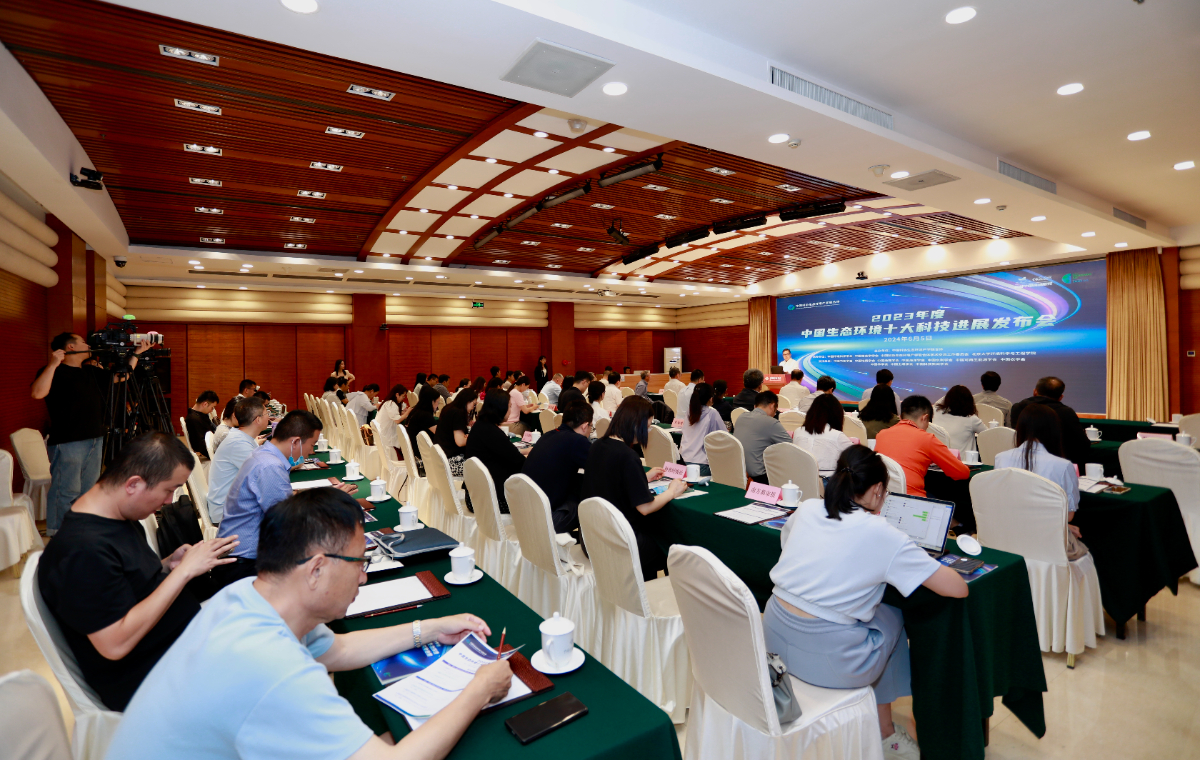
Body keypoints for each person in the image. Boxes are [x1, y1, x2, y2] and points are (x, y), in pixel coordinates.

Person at [104, 487, 512, 760]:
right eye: (359, 563)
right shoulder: (275, 668)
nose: (363, 577)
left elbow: (340, 649)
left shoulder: (246, 593)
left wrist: (431, 628)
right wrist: (479, 690)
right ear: (316, 569)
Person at [766, 445, 968, 760]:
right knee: (893, 613)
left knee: (872, 613)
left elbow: (786, 543)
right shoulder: (882, 533)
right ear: (877, 490)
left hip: (773, 639)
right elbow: (958, 589)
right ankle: (886, 731)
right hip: (831, 661)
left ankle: (883, 725)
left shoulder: (807, 508)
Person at [37, 433, 239, 711]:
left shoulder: (117, 516)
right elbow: (114, 644)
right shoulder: (81, 550)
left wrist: (168, 564)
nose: (169, 501)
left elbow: (127, 581)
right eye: (169, 490)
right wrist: (183, 573)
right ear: (133, 484)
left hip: (176, 651)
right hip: (152, 681)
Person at [215, 411, 356, 590]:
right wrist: (333, 504)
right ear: (295, 442)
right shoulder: (270, 466)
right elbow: (291, 524)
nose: (311, 451)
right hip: (244, 567)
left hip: (241, 557)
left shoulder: (264, 454)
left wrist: (325, 496)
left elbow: (285, 502)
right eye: (311, 445)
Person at [31, 331, 153, 534]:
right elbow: (37, 393)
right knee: (66, 490)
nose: (88, 345)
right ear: (70, 347)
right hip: (68, 441)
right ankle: (59, 533)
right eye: (83, 342)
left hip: (95, 439)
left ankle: (82, 531)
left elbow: (122, 376)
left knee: (88, 490)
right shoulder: (54, 371)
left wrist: (137, 353)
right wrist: (52, 365)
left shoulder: (90, 372)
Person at [581, 396, 687, 579]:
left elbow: (610, 480)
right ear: (636, 424)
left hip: (591, 538)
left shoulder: (597, 445)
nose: (648, 431)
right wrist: (672, 492)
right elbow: (645, 507)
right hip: (620, 543)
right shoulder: (628, 455)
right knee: (669, 544)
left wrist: (642, 477)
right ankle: (648, 589)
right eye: (648, 426)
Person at [994, 403, 1088, 559]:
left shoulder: (1000, 458)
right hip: (1045, 543)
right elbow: (1068, 515)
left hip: (1006, 537)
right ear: (1054, 430)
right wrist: (1062, 526)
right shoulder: (1063, 466)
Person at [874, 396, 969, 497]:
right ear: (924, 418)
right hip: (913, 499)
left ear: (900, 417)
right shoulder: (927, 438)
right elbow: (962, 473)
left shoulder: (881, 434)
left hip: (882, 497)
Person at [523, 401, 594, 534]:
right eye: (591, 426)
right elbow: (600, 465)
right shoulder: (577, 441)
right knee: (591, 501)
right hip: (547, 520)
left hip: (525, 514)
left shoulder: (548, 435)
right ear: (585, 426)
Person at [465, 389, 529, 513]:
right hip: (489, 500)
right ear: (500, 408)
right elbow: (518, 461)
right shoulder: (491, 432)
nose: (510, 410)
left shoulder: (480, 425)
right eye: (509, 407)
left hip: (475, 495)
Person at [207, 397, 270, 524]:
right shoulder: (238, 443)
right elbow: (263, 477)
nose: (268, 416)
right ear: (258, 419)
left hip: (234, 504)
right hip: (227, 513)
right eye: (266, 413)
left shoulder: (242, 437)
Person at [1010, 377, 1092, 466]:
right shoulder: (1066, 412)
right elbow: (1082, 444)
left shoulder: (1018, 408)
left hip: (1019, 461)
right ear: (1060, 397)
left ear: (1035, 392)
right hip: (1058, 464)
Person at [733, 390, 792, 484]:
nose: (775, 413)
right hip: (760, 477)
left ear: (755, 406)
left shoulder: (741, 417)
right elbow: (791, 447)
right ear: (772, 406)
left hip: (739, 471)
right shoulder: (771, 422)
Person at [792, 394, 855, 471]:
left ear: (811, 412)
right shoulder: (837, 436)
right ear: (837, 414)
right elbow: (859, 457)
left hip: (799, 476)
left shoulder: (798, 431)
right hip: (827, 477)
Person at [679, 383, 724, 476]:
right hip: (700, 466)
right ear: (711, 398)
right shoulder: (712, 413)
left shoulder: (689, 411)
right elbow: (723, 436)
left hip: (682, 461)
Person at [933, 385, 988, 455]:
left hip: (937, 458)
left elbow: (938, 403)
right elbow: (989, 435)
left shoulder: (935, 411)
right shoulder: (971, 419)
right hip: (961, 460)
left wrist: (953, 394)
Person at [436, 390, 473, 477]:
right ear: (467, 401)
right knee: (482, 469)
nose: (473, 408)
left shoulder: (448, 408)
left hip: (440, 459)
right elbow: (460, 442)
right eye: (473, 404)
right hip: (451, 462)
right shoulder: (459, 413)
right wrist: (473, 438)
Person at [185, 390, 220, 457]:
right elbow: (198, 445)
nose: (212, 410)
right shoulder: (193, 419)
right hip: (213, 452)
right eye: (212, 407)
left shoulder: (201, 415)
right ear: (205, 404)